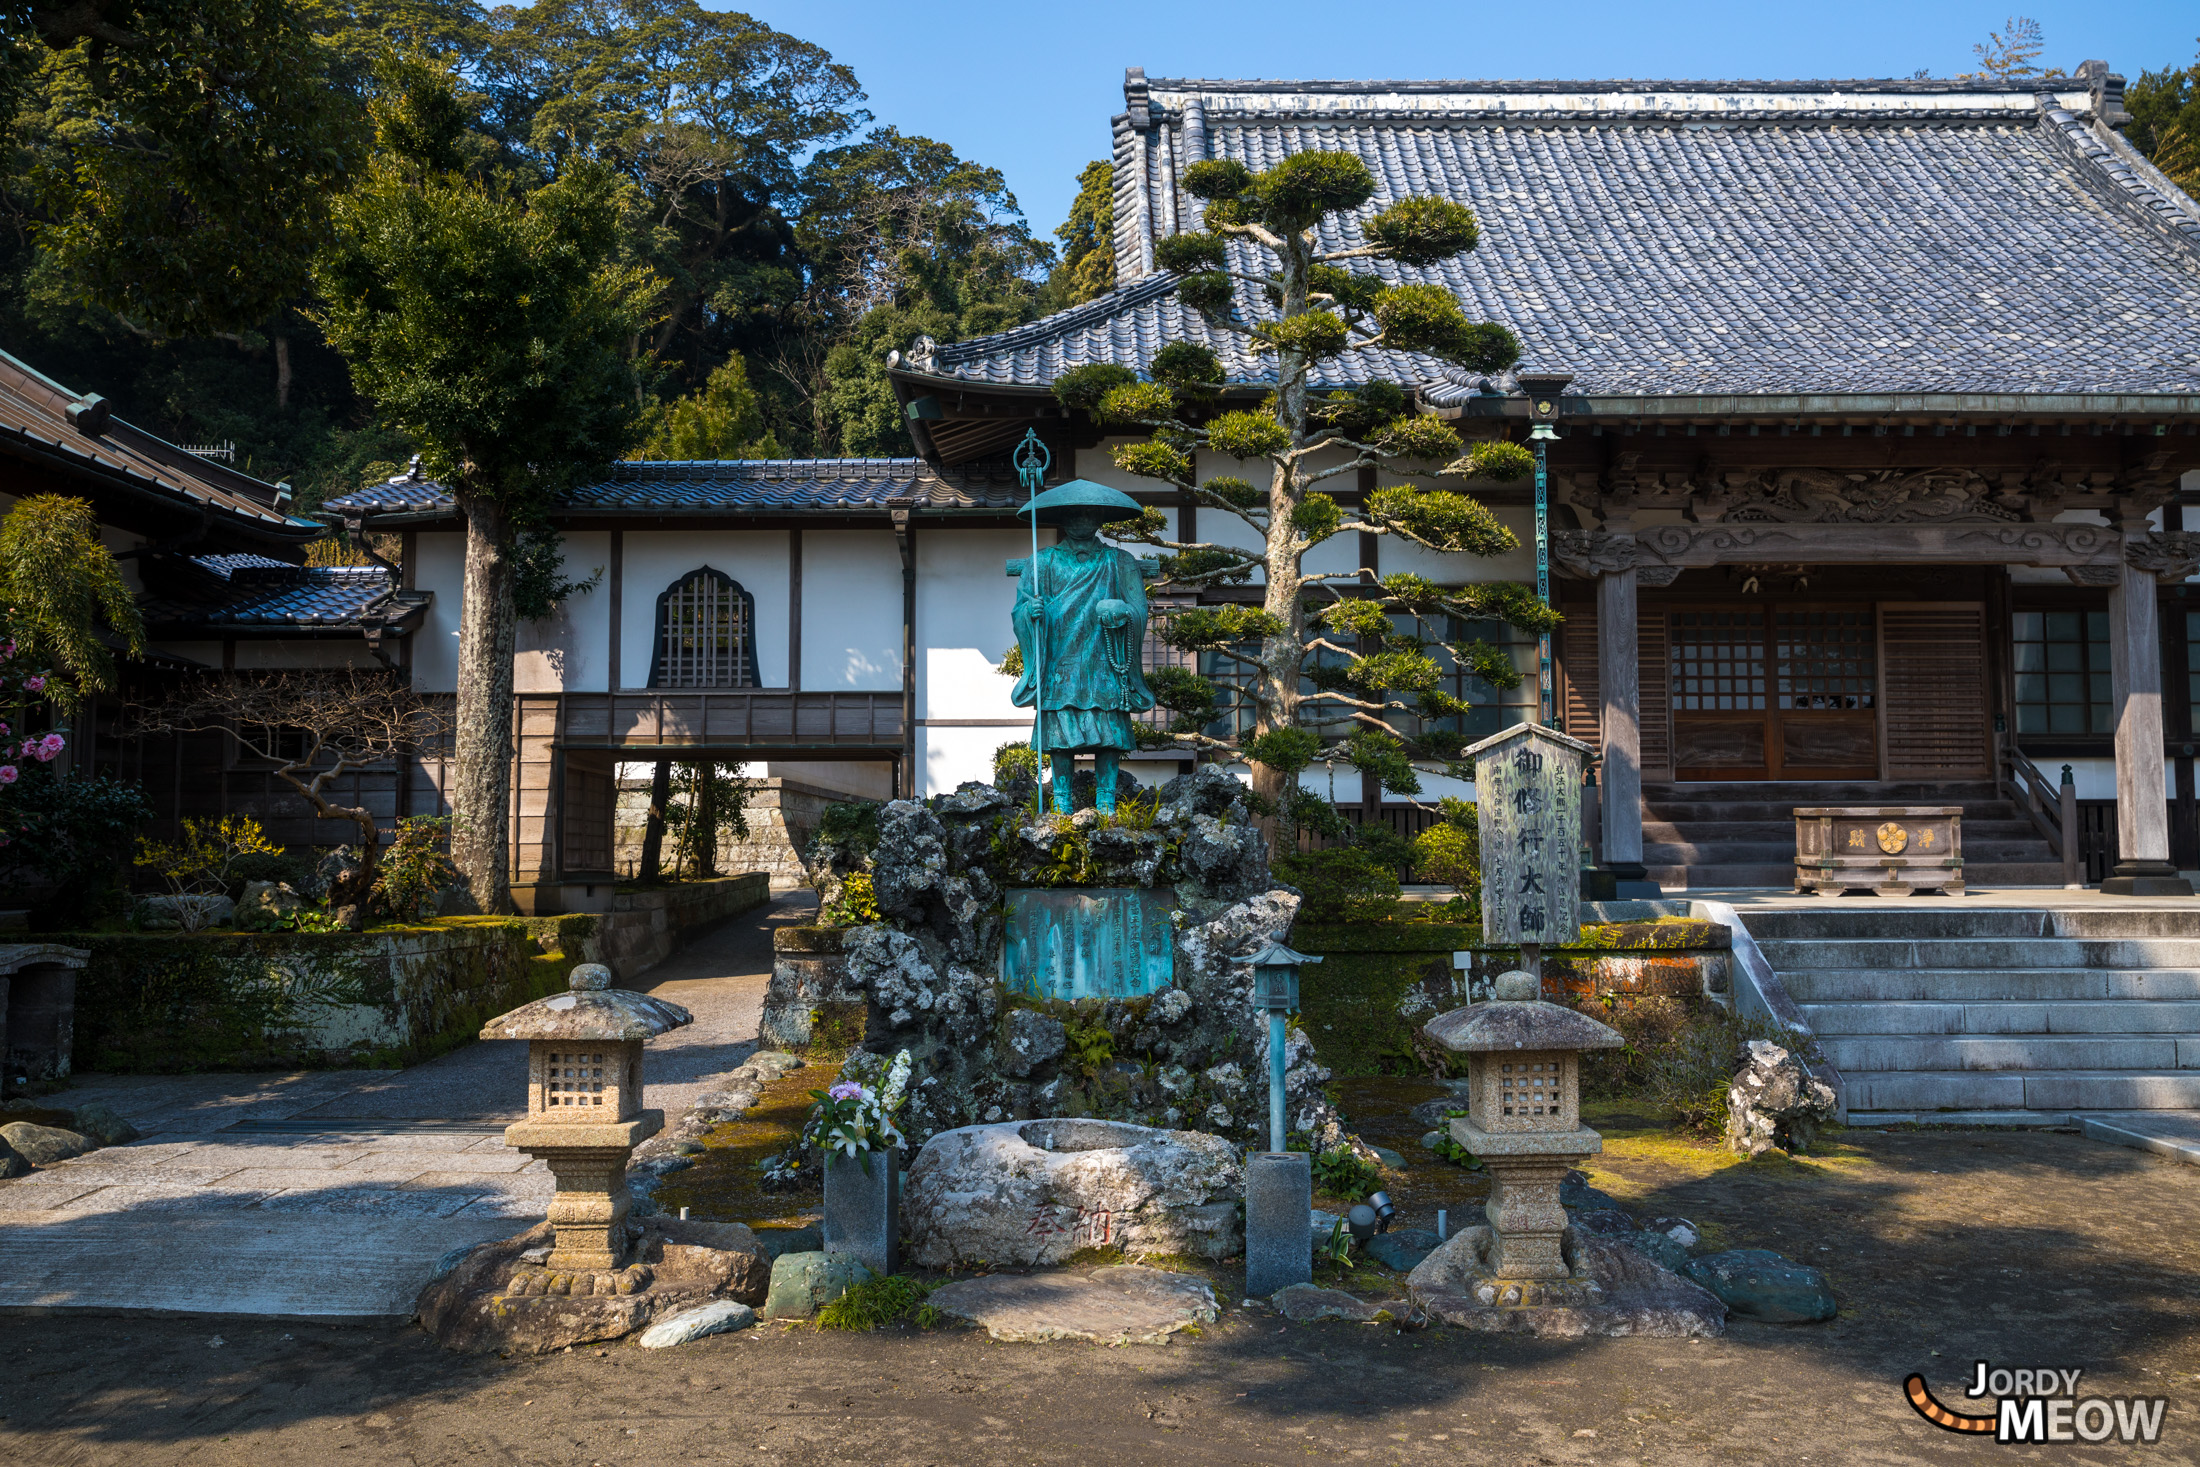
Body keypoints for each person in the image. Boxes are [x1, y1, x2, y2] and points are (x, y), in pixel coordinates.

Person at [1009, 481, 1157, 814]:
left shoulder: (1120, 561)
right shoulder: (1042, 562)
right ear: (1062, 519)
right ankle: (1060, 797)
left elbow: (1139, 607)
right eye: (1074, 515)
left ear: (1100, 518)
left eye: (1089, 513)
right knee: (1061, 732)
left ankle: (1107, 796)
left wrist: (1122, 611)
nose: (1082, 520)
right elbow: (1021, 609)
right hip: (1062, 655)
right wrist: (1031, 614)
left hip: (1104, 656)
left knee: (1110, 730)